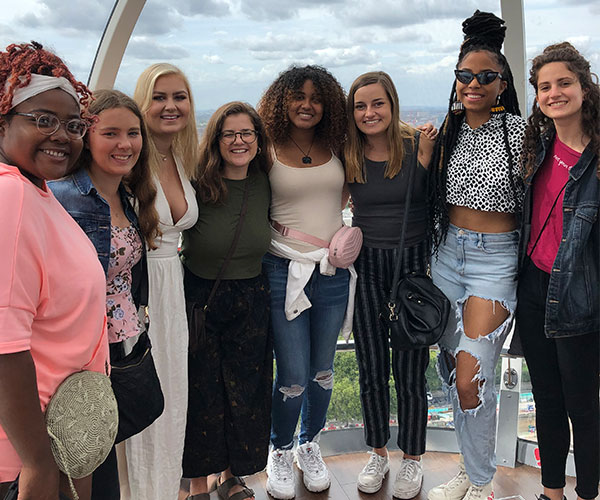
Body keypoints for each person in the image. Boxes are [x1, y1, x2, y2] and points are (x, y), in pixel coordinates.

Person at [0, 41, 109, 500]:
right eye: (42, 120)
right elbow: (4, 343)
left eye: (72, 124)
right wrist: (39, 465)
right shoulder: (12, 198)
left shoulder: (38, 192)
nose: (61, 135)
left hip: (59, 442)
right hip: (28, 458)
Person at [427, 11, 526, 500]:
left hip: (494, 261)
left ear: (502, 84)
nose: (474, 83)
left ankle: (483, 483)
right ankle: (471, 467)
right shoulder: (447, 131)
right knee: (450, 368)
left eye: (486, 77)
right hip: (448, 256)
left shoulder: (519, 132)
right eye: (465, 75)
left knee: (471, 376)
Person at [48, 89, 159, 500]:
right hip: (85, 355)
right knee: (88, 466)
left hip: (122, 346)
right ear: (86, 137)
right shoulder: (65, 198)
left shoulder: (127, 195)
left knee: (103, 454)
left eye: (132, 133)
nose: (124, 144)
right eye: (110, 133)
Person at [257, 65, 351, 499]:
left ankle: (309, 444)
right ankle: (280, 448)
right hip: (282, 270)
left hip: (332, 271)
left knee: (323, 370)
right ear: (282, 101)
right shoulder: (266, 148)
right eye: (298, 96)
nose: (307, 105)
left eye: (316, 97)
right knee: (292, 372)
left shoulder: (338, 145)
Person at [514, 42, 599, 500]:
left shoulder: (598, 160)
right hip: (533, 285)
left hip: (580, 293)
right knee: (546, 398)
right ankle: (552, 492)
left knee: (583, 406)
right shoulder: (539, 146)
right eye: (545, 87)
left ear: (584, 86)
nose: (554, 93)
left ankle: (587, 492)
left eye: (563, 82)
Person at [345, 71, 435, 498]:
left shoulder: (420, 145)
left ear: (392, 104)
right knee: (371, 363)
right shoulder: (348, 153)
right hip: (365, 266)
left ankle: (413, 458)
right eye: (360, 106)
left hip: (413, 265)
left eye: (377, 103)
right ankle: (378, 451)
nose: (369, 113)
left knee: (411, 367)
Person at [180, 101, 272, 500]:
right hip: (202, 294)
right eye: (229, 133)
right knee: (201, 390)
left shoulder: (268, 179)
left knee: (246, 390)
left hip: (252, 293)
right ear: (216, 139)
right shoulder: (198, 182)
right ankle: (198, 483)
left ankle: (231, 476)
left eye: (246, 133)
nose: (238, 141)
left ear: (257, 138)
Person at [119, 63, 200, 500]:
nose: (170, 106)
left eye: (179, 97)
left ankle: (163, 490)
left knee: (169, 397)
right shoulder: (131, 156)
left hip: (172, 290)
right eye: (159, 97)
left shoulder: (180, 156)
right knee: (139, 395)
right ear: (142, 103)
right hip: (138, 289)